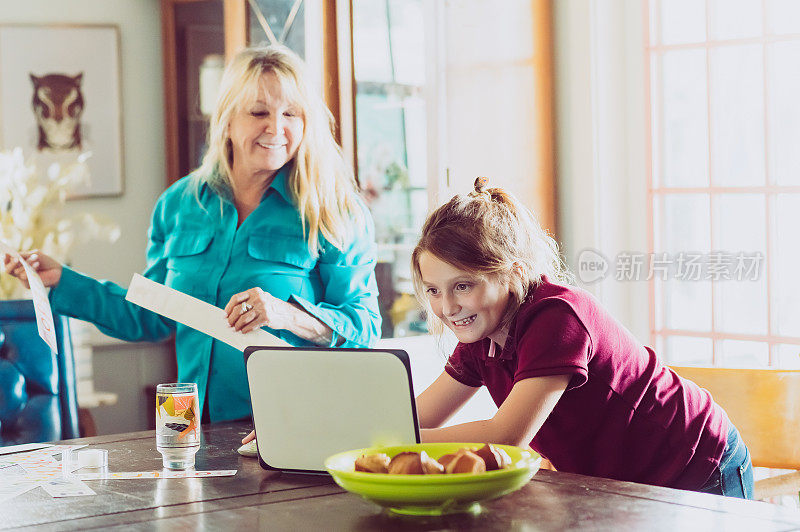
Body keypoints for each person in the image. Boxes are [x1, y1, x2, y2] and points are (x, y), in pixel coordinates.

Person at [3, 45, 381, 423]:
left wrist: (287, 315)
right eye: (259, 112)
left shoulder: (334, 211)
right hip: (190, 425)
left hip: (291, 425)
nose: (276, 128)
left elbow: (364, 326)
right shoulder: (179, 204)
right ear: (228, 120)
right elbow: (150, 314)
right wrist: (63, 281)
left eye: (291, 114)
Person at [410, 177, 753, 498]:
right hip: (624, 487)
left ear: (512, 273)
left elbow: (506, 437)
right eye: (434, 291)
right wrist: (375, 433)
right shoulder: (480, 339)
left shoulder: (557, 317)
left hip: (698, 467)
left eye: (463, 286)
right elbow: (417, 418)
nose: (448, 307)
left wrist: (400, 443)